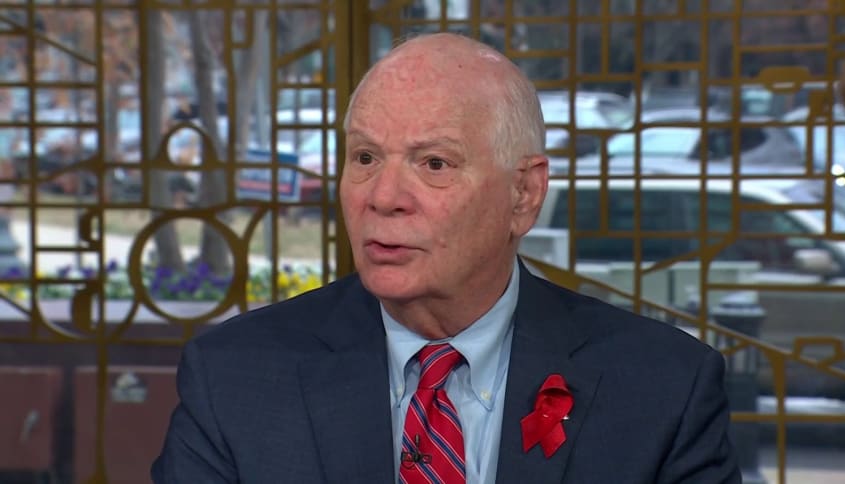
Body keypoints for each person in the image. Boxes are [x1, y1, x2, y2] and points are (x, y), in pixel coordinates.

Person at [152, 33, 740, 483]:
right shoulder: (235, 379)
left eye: (434, 163)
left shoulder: (665, 390)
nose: (383, 197)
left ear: (523, 194)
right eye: (365, 158)